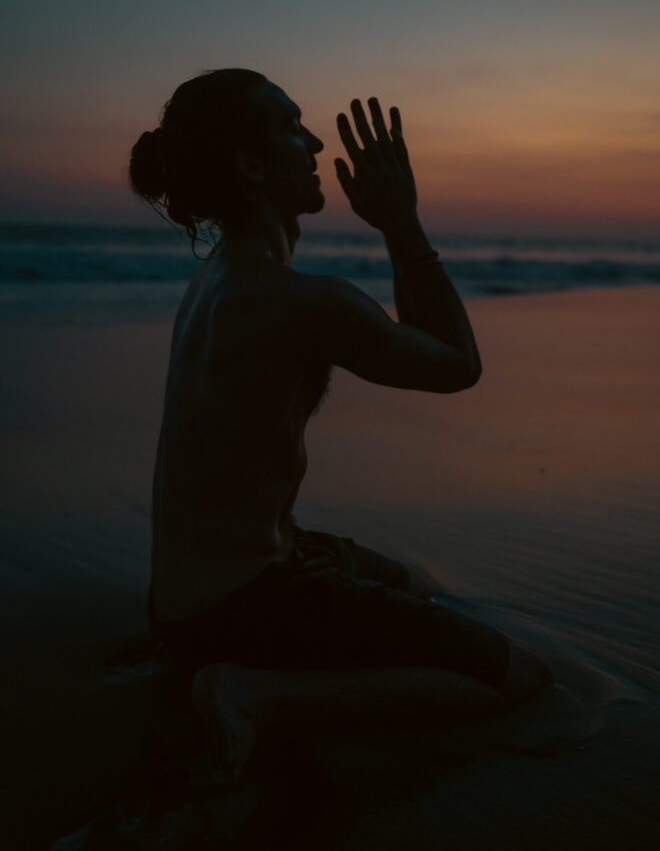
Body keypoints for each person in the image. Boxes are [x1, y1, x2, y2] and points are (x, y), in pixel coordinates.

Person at [129, 68, 551, 781]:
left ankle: (238, 662)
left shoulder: (214, 281)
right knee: (516, 677)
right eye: (293, 127)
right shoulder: (300, 301)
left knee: (417, 585)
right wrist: (400, 222)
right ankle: (257, 694)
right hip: (246, 606)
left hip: (188, 600)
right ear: (252, 165)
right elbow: (457, 365)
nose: (317, 143)